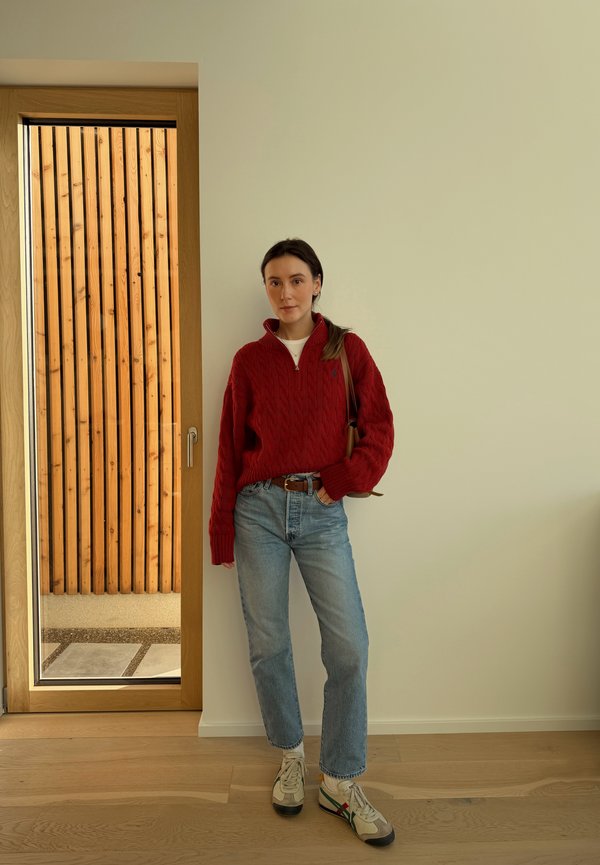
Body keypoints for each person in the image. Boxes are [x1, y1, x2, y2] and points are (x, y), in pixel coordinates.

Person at [209, 238, 395, 846]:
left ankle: (339, 781)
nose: (284, 292)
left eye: (295, 280)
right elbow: (229, 450)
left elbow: (380, 429)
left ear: (317, 283)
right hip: (257, 509)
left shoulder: (347, 350)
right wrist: (221, 528)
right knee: (269, 644)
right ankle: (290, 754)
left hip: (322, 510)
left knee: (349, 648)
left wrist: (341, 482)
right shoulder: (248, 359)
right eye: (272, 281)